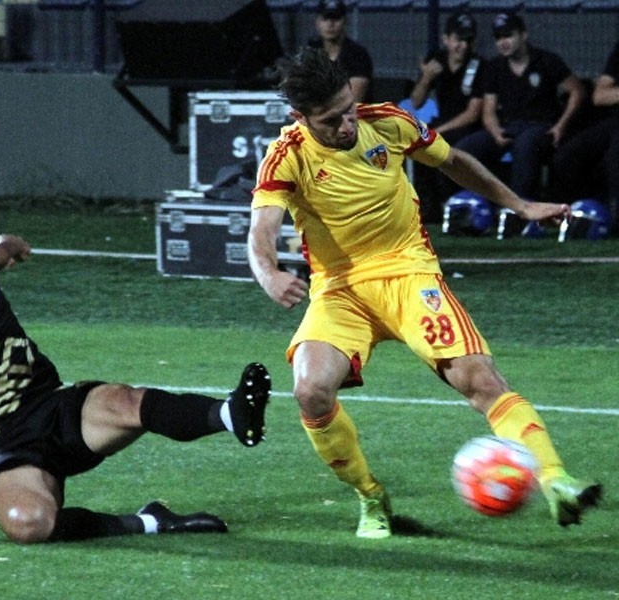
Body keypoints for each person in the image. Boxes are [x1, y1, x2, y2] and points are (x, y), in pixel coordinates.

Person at [247, 47, 601, 539]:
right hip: (340, 289)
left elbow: (453, 161)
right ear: (299, 117)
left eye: (349, 109)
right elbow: (261, 229)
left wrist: (520, 206)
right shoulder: (287, 156)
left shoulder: (388, 123)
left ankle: (557, 481)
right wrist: (269, 274)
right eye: (331, 120)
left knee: (480, 380)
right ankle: (372, 497)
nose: (347, 125)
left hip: (410, 274)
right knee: (310, 391)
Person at [0, 185, 272, 544]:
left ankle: (230, 413)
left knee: (126, 401)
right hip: (0, 447)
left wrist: (7, 245)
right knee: (29, 524)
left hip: (53, 408)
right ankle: (150, 522)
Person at [456, 12, 585, 203]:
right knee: (464, 150)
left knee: (524, 146)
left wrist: (560, 126)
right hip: (509, 127)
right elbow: (489, 111)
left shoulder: (547, 60)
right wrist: (495, 132)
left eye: (508, 35)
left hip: (541, 127)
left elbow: (577, 91)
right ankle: (472, 204)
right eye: (498, 38)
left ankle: (521, 208)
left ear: (523, 35)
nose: (503, 42)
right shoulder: (494, 67)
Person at [409, 12, 486, 222]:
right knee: (417, 144)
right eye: (458, 39)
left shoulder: (479, 65)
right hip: (443, 123)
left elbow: (473, 114)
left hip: (471, 128)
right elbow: (416, 101)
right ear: (446, 39)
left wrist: (438, 132)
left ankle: (454, 205)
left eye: (468, 40)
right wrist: (426, 77)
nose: (463, 45)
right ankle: (429, 209)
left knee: (444, 146)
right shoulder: (437, 61)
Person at [551, 40, 619, 235]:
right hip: (614, 121)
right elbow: (600, 96)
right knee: (566, 155)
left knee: (615, 156)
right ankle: (570, 216)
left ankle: (615, 221)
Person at [307, 0, 373, 103]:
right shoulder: (311, 51)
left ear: (345, 21)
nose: (330, 24)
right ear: (317, 22)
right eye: (325, 18)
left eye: (336, 18)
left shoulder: (358, 55)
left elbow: (353, 100)